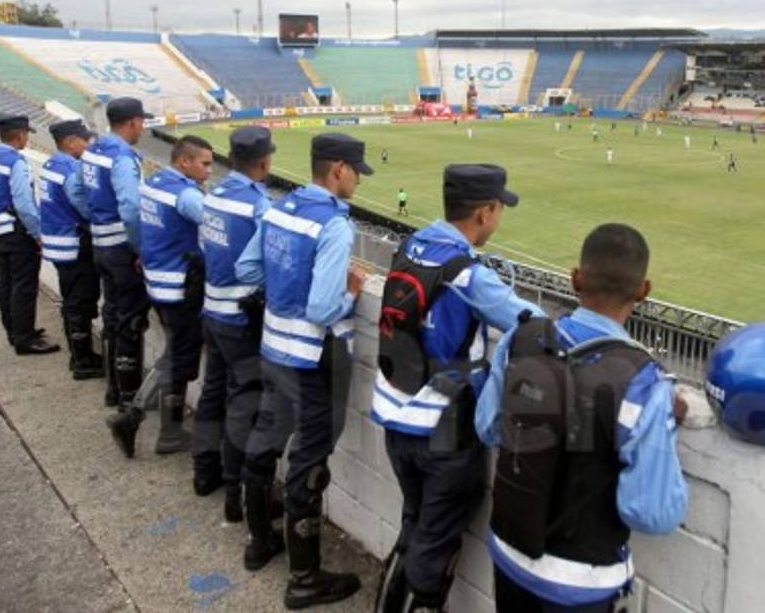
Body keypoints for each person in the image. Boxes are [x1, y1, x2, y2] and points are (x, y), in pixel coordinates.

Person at [477, 224, 689, 612]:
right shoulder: (647, 384)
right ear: (643, 292)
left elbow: (488, 427)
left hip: (509, 553)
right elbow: (652, 512)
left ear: (575, 278)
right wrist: (666, 423)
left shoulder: (520, 340)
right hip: (581, 581)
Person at [371, 164, 542, 612]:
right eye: (499, 208)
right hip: (442, 431)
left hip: (394, 414)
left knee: (413, 526)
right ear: (485, 212)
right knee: (435, 543)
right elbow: (534, 327)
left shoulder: (414, 244)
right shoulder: (468, 273)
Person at [235, 133, 371, 608]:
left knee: (266, 440)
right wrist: (352, 293)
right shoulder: (334, 225)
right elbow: (321, 307)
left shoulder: (278, 206)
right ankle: (304, 579)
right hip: (314, 358)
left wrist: (283, 293)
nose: (357, 179)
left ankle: (259, 543)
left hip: (273, 347)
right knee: (308, 467)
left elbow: (248, 269)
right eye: (356, 170)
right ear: (338, 169)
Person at [107, 135, 213, 458]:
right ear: (185, 162)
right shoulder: (186, 196)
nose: (210, 170)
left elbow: (135, 220)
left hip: (157, 282)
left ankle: (167, 429)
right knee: (178, 358)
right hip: (179, 288)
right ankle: (137, 417)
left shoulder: (154, 183)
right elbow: (219, 227)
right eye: (205, 163)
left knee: (176, 355)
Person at [191, 126, 276, 522]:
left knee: (214, 393)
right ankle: (236, 494)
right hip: (240, 317)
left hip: (212, 309)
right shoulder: (257, 203)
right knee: (245, 405)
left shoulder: (217, 194)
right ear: (264, 161)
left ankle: (204, 473)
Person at [82, 97, 151, 409]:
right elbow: (132, 207)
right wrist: (140, 247)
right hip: (121, 249)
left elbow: (76, 191)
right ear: (133, 122)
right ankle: (127, 396)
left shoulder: (93, 150)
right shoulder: (123, 157)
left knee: (112, 316)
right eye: (142, 122)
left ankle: (113, 388)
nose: (143, 128)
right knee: (130, 322)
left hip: (99, 244)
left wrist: (97, 218)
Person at [0, 113, 60, 355]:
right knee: (24, 284)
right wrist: (37, 234)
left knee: (6, 281)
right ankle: (25, 338)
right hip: (16, 230)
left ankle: (14, 331)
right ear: (20, 134)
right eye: (26, 135)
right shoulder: (16, 162)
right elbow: (24, 203)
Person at [38, 118, 104, 378]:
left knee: (71, 300)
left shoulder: (51, 163)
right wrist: (97, 219)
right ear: (69, 142)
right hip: (73, 245)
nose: (88, 144)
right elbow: (80, 201)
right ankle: (82, 360)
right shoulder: (70, 168)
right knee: (79, 302)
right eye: (84, 139)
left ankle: (79, 354)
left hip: (57, 244)